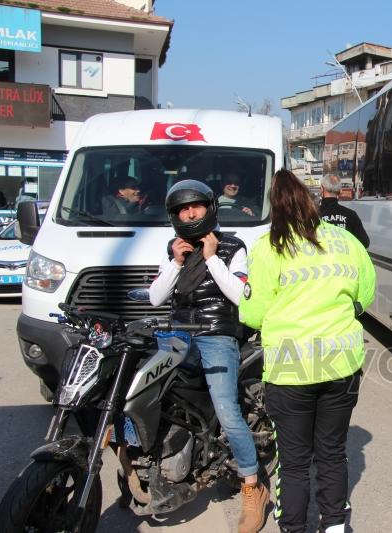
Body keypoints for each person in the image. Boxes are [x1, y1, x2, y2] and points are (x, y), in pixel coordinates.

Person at [239, 169, 375, 533]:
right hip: (342, 364)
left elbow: (253, 314)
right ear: (311, 201)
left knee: (295, 462)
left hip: (290, 368)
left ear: (276, 207)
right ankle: (334, 526)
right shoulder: (347, 241)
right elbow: (365, 295)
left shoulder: (269, 247)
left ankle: (294, 527)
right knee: (332, 453)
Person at [149, 179, 269, 533]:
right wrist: (176, 261)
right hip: (178, 335)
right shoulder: (175, 248)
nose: (189, 214)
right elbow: (156, 297)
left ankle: (252, 486)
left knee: (227, 411)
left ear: (209, 208)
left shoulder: (233, 247)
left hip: (216, 335)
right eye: (182, 209)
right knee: (145, 396)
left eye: (195, 206)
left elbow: (241, 296)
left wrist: (212, 258)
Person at [318, 174, 369, 248]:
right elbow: (365, 242)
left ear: (322, 189)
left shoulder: (312, 214)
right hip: (346, 254)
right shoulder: (351, 215)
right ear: (340, 191)